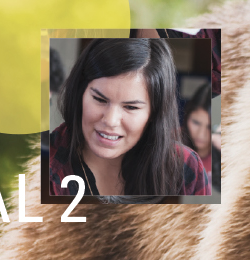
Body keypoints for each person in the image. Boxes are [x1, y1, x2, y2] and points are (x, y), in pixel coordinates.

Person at [49, 38, 210, 196]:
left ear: (154, 112)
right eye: (99, 99)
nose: (110, 121)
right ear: (80, 93)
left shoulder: (185, 167)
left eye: (131, 107)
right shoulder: (42, 164)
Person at [182, 84, 220, 191]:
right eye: (196, 122)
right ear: (187, 115)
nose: (201, 134)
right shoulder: (167, 144)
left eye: (210, 127)